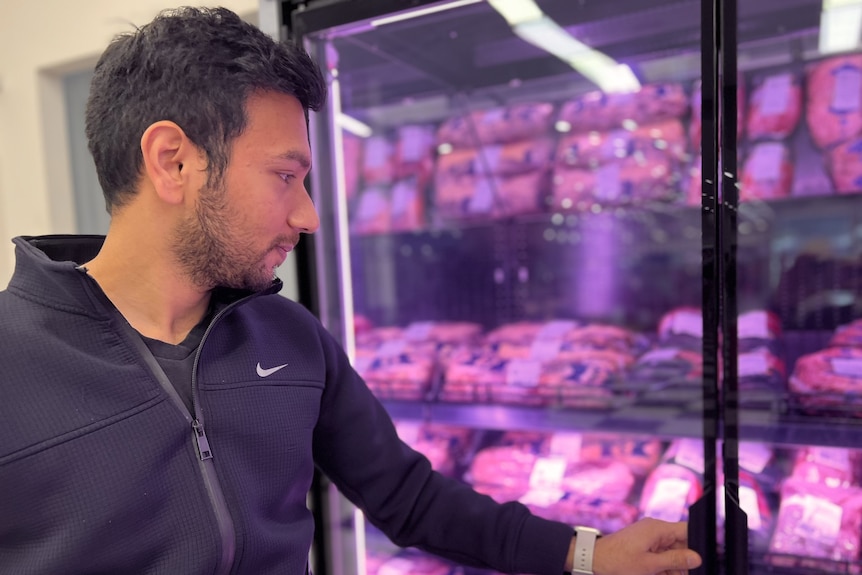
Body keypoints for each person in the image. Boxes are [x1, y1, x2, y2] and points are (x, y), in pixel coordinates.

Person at [0, 7, 703, 575]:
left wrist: (588, 554)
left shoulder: (286, 334)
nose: (307, 214)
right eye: (285, 175)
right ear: (173, 161)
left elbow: (411, 497)